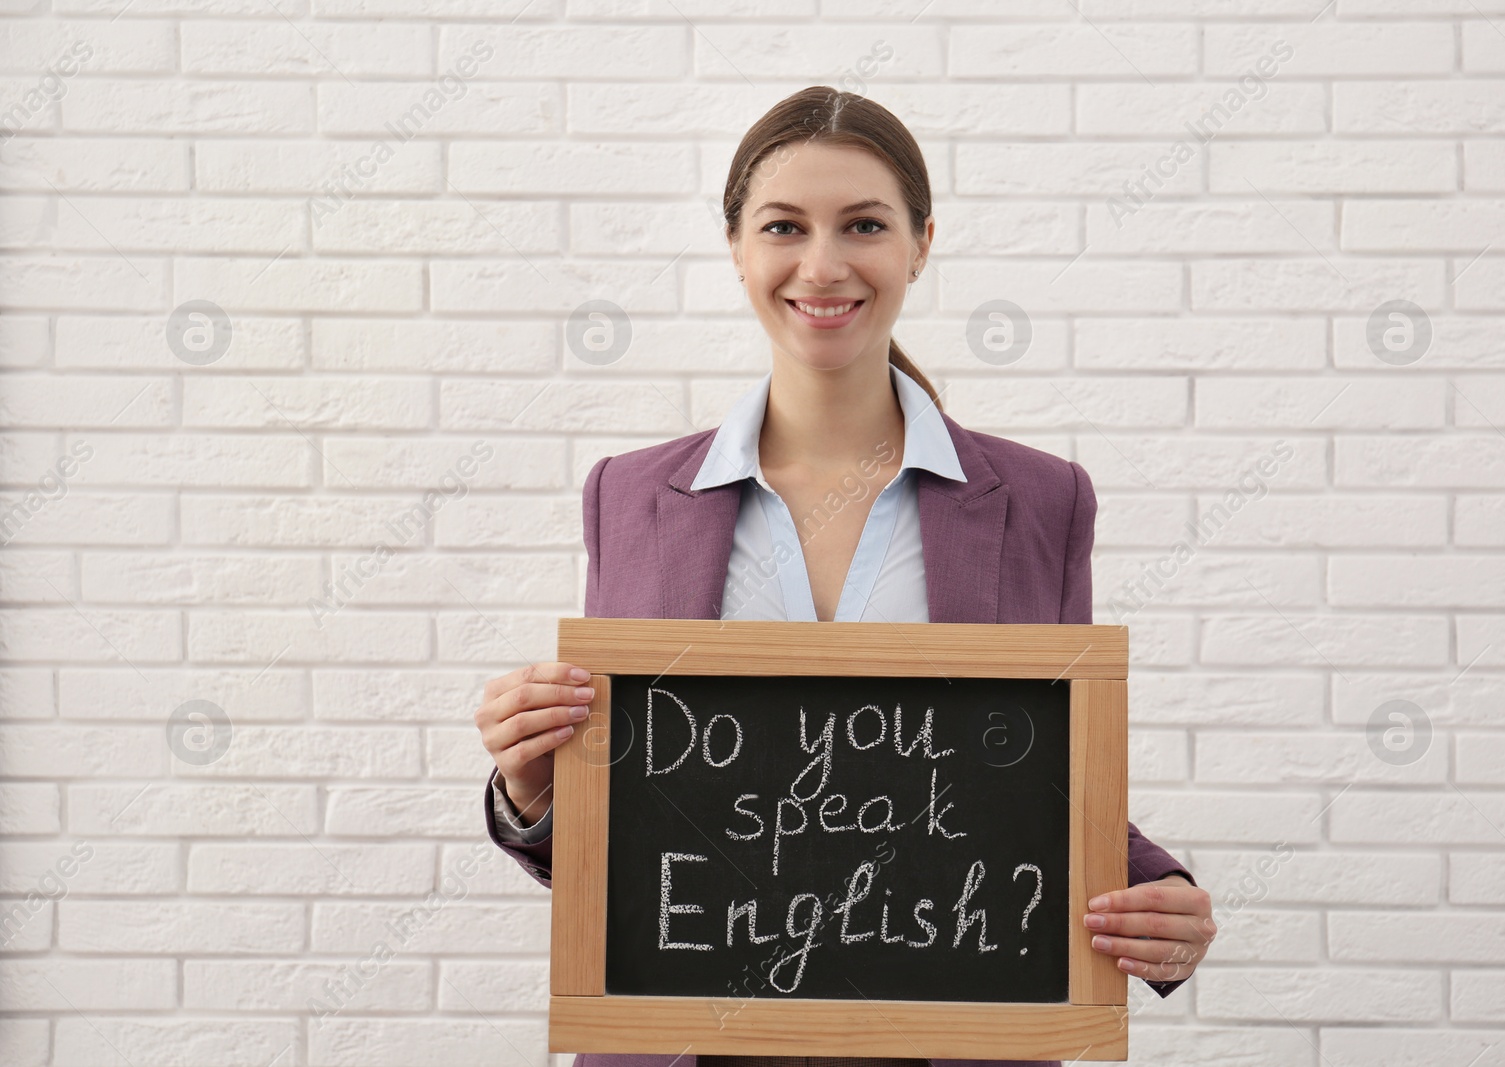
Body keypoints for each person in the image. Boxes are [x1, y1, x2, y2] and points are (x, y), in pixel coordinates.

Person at [475, 86, 1216, 1067]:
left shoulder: (1041, 500)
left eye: (863, 224)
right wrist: (532, 788)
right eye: (784, 225)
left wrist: (1158, 898)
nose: (822, 265)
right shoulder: (632, 496)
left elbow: (1027, 777)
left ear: (920, 242)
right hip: (687, 1040)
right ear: (737, 245)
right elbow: (631, 826)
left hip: (952, 1032)